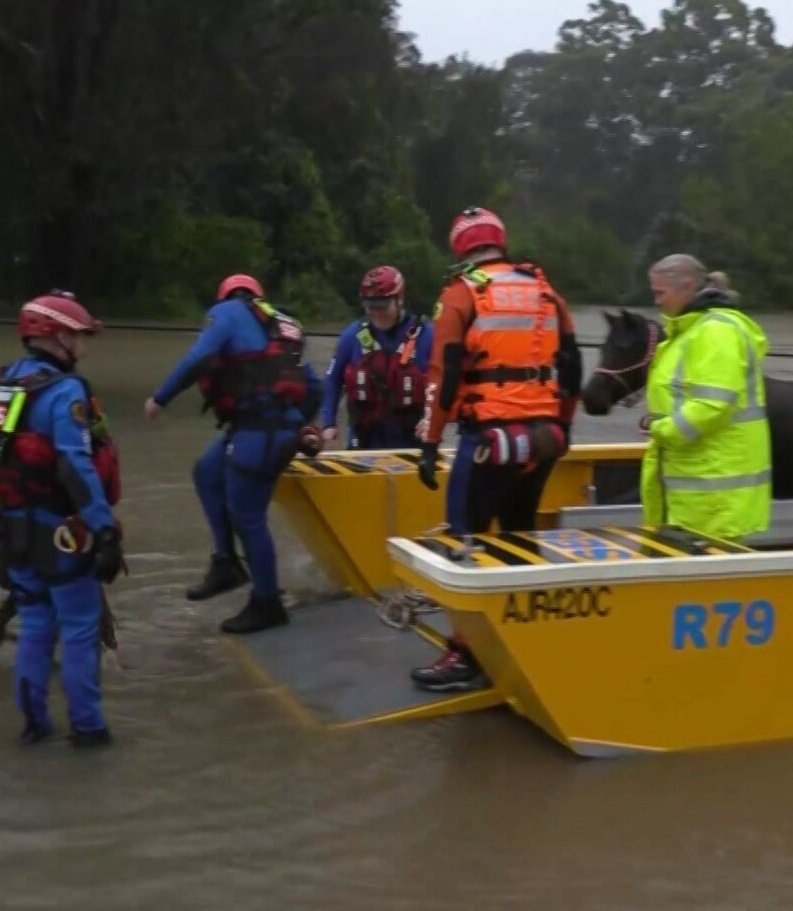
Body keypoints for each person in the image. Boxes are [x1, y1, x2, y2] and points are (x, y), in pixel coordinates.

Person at [411, 207, 582, 692]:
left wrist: (428, 443)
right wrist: (562, 430)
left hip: (488, 440)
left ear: (461, 248)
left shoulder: (461, 294)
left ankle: (466, 656)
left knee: (465, 544)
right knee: (520, 536)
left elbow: (442, 378)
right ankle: (527, 639)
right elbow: (572, 370)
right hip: (543, 438)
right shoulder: (549, 293)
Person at [0, 290, 123, 747]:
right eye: (79, 335)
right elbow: (75, 465)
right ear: (57, 337)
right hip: (61, 532)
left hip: (11, 530)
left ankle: (33, 725)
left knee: (35, 623)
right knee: (79, 628)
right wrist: (104, 529)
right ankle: (88, 729)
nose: (84, 345)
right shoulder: (66, 391)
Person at [145, 274, 322, 635]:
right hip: (262, 427)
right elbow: (314, 386)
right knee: (207, 473)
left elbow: (200, 356)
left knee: (248, 516)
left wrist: (160, 398)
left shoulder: (227, 312)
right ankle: (226, 563)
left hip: (261, 431)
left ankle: (267, 602)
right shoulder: (280, 325)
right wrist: (296, 425)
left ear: (226, 296)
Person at [640, 255, 772, 542]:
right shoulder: (691, 330)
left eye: (660, 293)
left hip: (713, 497)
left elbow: (712, 406)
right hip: (697, 492)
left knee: (715, 584)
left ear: (686, 286)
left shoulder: (715, 331)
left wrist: (660, 429)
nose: (657, 301)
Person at [320, 265, 434, 450]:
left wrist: (433, 420)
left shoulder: (426, 335)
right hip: (364, 443)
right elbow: (332, 381)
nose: (376, 313)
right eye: (370, 306)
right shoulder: (352, 336)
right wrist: (328, 424)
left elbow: (444, 383)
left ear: (400, 299)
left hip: (412, 444)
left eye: (382, 306)